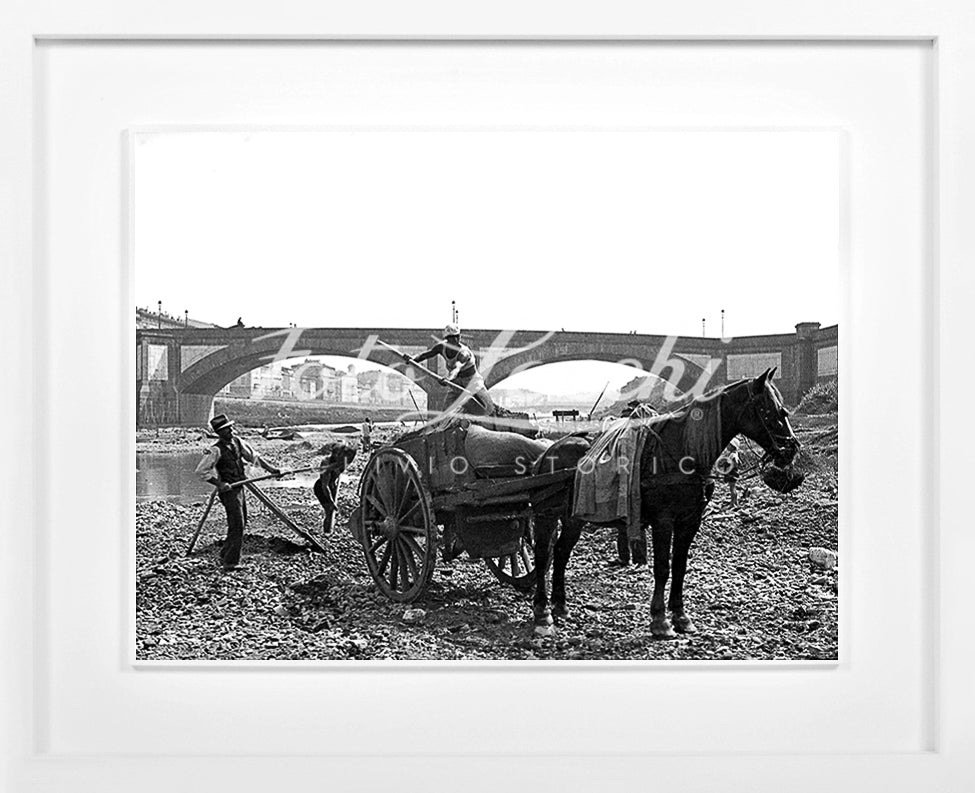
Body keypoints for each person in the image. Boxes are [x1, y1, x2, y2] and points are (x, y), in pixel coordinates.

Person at [195, 413, 282, 570]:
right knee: (238, 524)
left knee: (241, 522)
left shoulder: (237, 442)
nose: (231, 431)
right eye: (227, 430)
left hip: (240, 486)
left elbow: (254, 457)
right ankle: (231, 562)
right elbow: (201, 471)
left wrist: (272, 469)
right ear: (219, 433)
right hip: (228, 491)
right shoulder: (215, 450)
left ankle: (225, 553)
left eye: (230, 428)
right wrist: (219, 484)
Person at [409, 323, 495, 415]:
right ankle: (444, 426)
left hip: (472, 382)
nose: (455, 341)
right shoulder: (441, 347)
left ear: (459, 337)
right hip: (456, 382)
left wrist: (448, 379)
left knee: (485, 408)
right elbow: (426, 355)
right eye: (451, 338)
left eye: (457, 337)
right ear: (447, 339)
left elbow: (456, 369)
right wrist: (412, 359)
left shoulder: (464, 353)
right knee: (447, 410)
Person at [715, 436, 741, 508]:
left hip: (732, 474)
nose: (727, 446)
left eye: (729, 445)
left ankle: (733, 503)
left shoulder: (733, 455)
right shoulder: (732, 454)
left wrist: (728, 469)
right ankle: (735, 502)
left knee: (732, 488)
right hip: (732, 473)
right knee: (733, 488)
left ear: (733, 447)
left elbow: (735, 463)